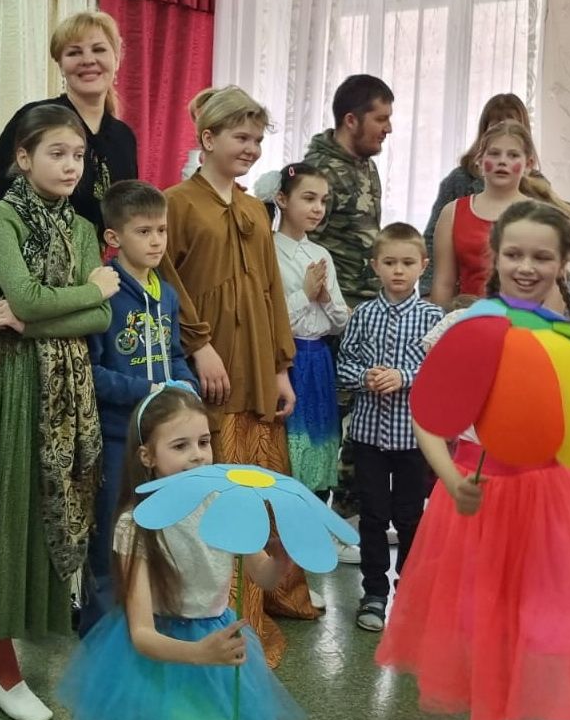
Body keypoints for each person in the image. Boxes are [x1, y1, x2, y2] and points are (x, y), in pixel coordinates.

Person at [377, 201, 570, 720]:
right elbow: (430, 413)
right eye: (514, 253)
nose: (526, 266)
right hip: (473, 496)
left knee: (543, 633)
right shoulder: (468, 325)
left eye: (542, 256)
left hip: (545, 501)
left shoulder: (567, 339)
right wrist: (448, 478)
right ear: (495, 257)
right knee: (478, 621)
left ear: (563, 263)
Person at [56, 385, 304, 720]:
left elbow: (261, 575)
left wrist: (281, 558)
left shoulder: (223, 503)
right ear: (147, 457)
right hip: (162, 650)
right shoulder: (136, 525)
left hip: (211, 638)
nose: (198, 456)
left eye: (204, 442)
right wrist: (199, 653)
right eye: (180, 446)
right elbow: (142, 635)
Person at [0, 105, 116, 720]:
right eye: (56, 153)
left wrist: (34, 320)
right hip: (14, 382)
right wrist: (89, 291)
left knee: (51, 507)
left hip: (66, 386)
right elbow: (23, 294)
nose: (70, 166)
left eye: (77, 156)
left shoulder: (82, 226)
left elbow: (99, 317)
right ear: (23, 158)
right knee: (8, 507)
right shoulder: (1, 215)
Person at [159, 85, 309, 670]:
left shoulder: (253, 210)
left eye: (257, 139)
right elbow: (167, 282)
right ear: (208, 138)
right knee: (217, 496)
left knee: (259, 492)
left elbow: (271, 292)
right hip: (212, 371)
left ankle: (265, 600)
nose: (250, 148)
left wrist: (280, 368)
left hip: (257, 372)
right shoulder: (176, 204)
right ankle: (219, 617)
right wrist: (200, 346)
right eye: (240, 137)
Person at [78, 179, 198, 639]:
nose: (156, 241)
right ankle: (101, 637)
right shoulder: (103, 290)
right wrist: (149, 390)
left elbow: (175, 354)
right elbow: (92, 373)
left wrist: (186, 388)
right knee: (112, 537)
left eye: (161, 231)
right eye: (143, 232)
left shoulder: (166, 293)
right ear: (114, 237)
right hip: (116, 438)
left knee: (157, 531)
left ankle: (149, 625)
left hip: (160, 440)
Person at [0, 10, 138, 270]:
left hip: (83, 279)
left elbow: (126, 220)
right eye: (74, 52)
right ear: (60, 65)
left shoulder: (124, 138)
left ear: (117, 59)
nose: (88, 60)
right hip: (15, 275)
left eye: (99, 49)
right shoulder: (35, 118)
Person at [336, 224, 443, 631]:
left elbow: (442, 370)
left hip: (414, 440)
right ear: (374, 265)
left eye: (407, 263)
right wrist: (365, 377)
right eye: (390, 262)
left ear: (423, 266)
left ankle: (410, 592)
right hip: (368, 438)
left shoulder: (433, 317)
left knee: (411, 517)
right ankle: (374, 594)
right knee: (374, 517)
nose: (398, 270)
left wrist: (405, 376)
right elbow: (343, 365)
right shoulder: (363, 315)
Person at [304, 74, 395, 528]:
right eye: (381, 119)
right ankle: (312, 519)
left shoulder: (365, 165)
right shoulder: (319, 172)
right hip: (328, 320)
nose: (388, 128)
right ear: (351, 120)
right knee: (327, 422)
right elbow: (302, 248)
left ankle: (348, 516)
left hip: (363, 315)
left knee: (363, 418)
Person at [271, 162, 350, 501]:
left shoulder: (321, 255)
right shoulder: (268, 251)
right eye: (308, 198)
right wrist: (305, 294)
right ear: (282, 199)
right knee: (288, 446)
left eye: (323, 200)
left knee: (320, 442)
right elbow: (271, 322)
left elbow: (340, 322)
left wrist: (326, 297)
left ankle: (316, 516)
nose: (318, 208)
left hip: (319, 359)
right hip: (286, 360)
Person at [420, 93, 534, 295]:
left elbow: (553, 282)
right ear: (480, 158)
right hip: (465, 308)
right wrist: (430, 299)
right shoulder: (455, 202)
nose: (502, 161)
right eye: (495, 153)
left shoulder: (541, 210)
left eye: (513, 154)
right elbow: (441, 278)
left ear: (528, 163)